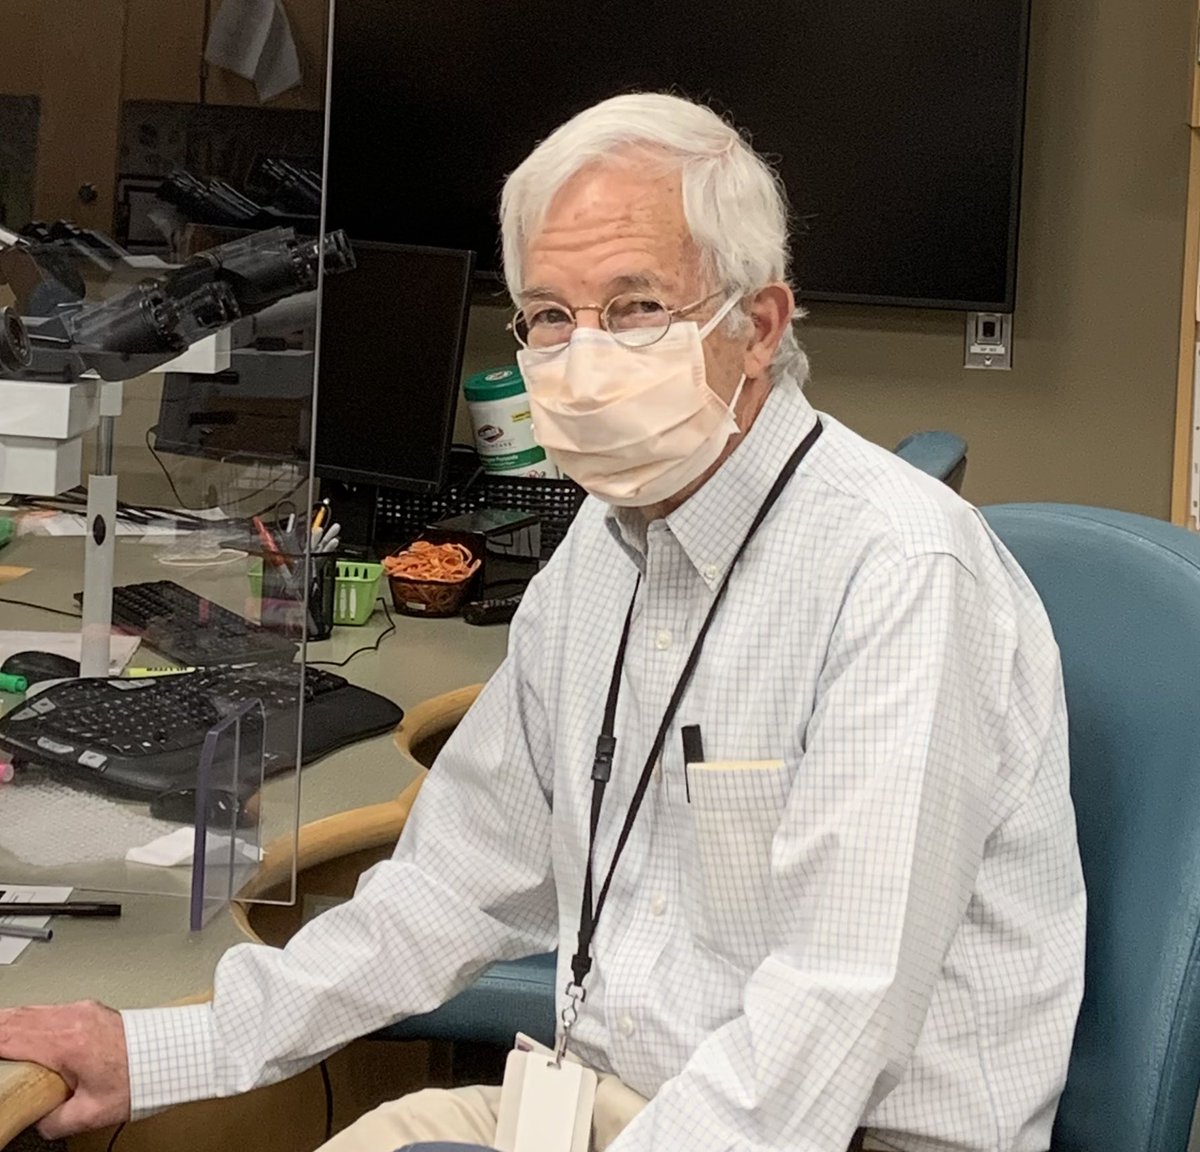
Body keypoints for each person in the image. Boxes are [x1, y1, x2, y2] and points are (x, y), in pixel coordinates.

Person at [0, 92, 1085, 1152]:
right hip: (615, 1103)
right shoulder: (604, 555)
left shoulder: (899, 573)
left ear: (759, 325)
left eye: (636, 306)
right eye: (554, 317)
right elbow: (453, 889)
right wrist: (165, 1052)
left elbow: (832, 1022)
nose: (585, 354)